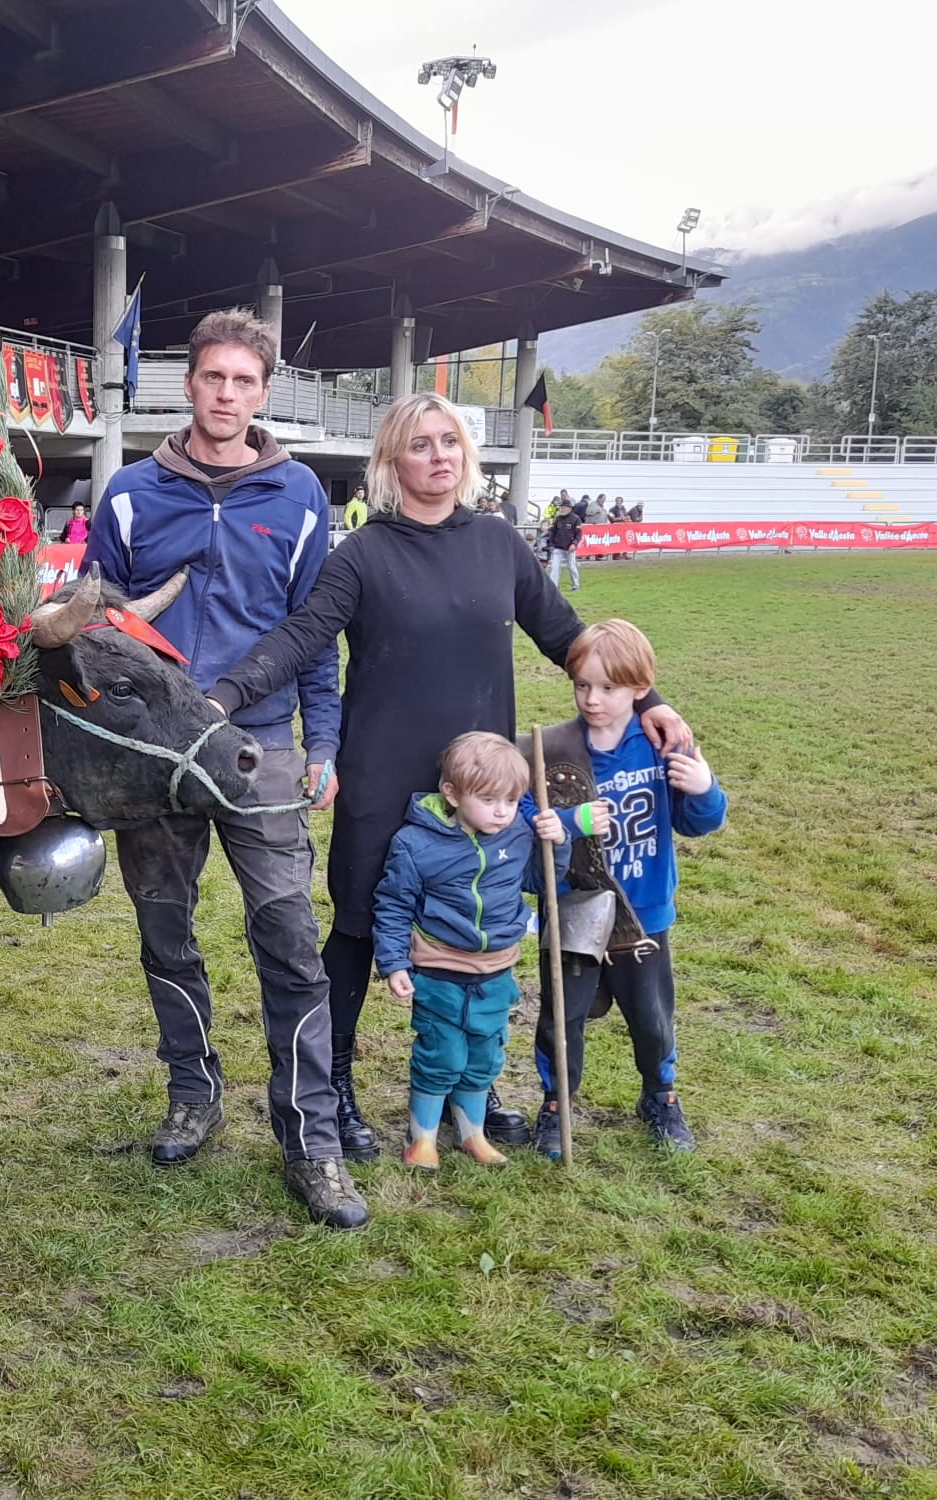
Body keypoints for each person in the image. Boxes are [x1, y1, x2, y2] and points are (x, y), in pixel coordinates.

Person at [206, 392, 692, 1165]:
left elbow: (568, 636)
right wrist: (222, 697)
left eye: (450, 443)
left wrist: (654, 703)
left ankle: (476, 1086)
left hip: (486, 786)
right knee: (362, 929)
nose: (439, 456)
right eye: (420, 445)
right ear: (393, 461)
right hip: (383, 778)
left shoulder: (499, 543)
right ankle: (333, 1090)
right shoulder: (363, 554)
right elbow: (302, 637)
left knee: (489, 926)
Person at [83, 307, 366, 1231]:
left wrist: (322, 743)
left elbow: (314, 634)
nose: (228, 395)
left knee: (287, 934)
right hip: (156, 762)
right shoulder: (127, 493)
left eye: (245, 382)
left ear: (263, 392)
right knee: (166, 932)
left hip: (262, 749)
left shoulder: (299, 499)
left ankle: (310, 1141)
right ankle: (192, 1091)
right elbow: (94, 635)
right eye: (214, 378)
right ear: (189, 384)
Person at [531, 620, 727, 1156]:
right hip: (573, 909)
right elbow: (530, 816)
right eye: (582, 686)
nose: (593, 699)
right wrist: (569, 823)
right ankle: (556, 1104)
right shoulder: (553, 749)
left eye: (609, 688)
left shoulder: (664, 743)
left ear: (641, 689)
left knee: (652, 1016)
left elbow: (699, 822)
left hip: (645, 914)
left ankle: (660, 1096)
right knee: (562, 1016)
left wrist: (704, 789)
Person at [373, 732, 569, 1171]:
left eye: (512, 800)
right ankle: (420, 1139)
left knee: (485, 1056)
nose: (502, 811)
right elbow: (393, 904)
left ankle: (472, 1133)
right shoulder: (416, 844)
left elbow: (542, 883)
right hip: (440, 970)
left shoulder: (518, 832)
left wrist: (557, 844)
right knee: (441, 1055)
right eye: (488, 800)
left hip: (496, 970)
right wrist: (393, 963)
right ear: (452, 794)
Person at [547, 501, 583, 591]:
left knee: (571, 567)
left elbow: (578, 534)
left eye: (564, 507)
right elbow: (553, 531)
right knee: (554, 567)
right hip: (558, 547)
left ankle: (575, 585)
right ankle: (553, 587)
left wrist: (574, 544)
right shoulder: (558, 518)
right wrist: (551, 543)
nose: (562, 509)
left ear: (569, 508)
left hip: (569, 548)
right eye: (561, 507)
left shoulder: (576, 519)